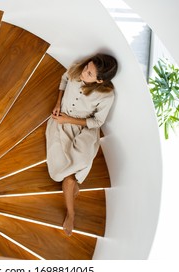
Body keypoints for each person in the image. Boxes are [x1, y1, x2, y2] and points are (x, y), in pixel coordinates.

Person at [45, 53, 118, 236]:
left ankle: (71, 213)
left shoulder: (106, 96)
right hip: (60, 122)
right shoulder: (78, 68)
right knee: (63, 174)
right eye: (87, 68)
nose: (84, 73)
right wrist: (58, 103)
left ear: (100, 81)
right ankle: (72, 188)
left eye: (90, 73)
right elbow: (64, 78)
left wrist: (68, 119)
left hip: (83, 128)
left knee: (78, 163)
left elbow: (97, 122)